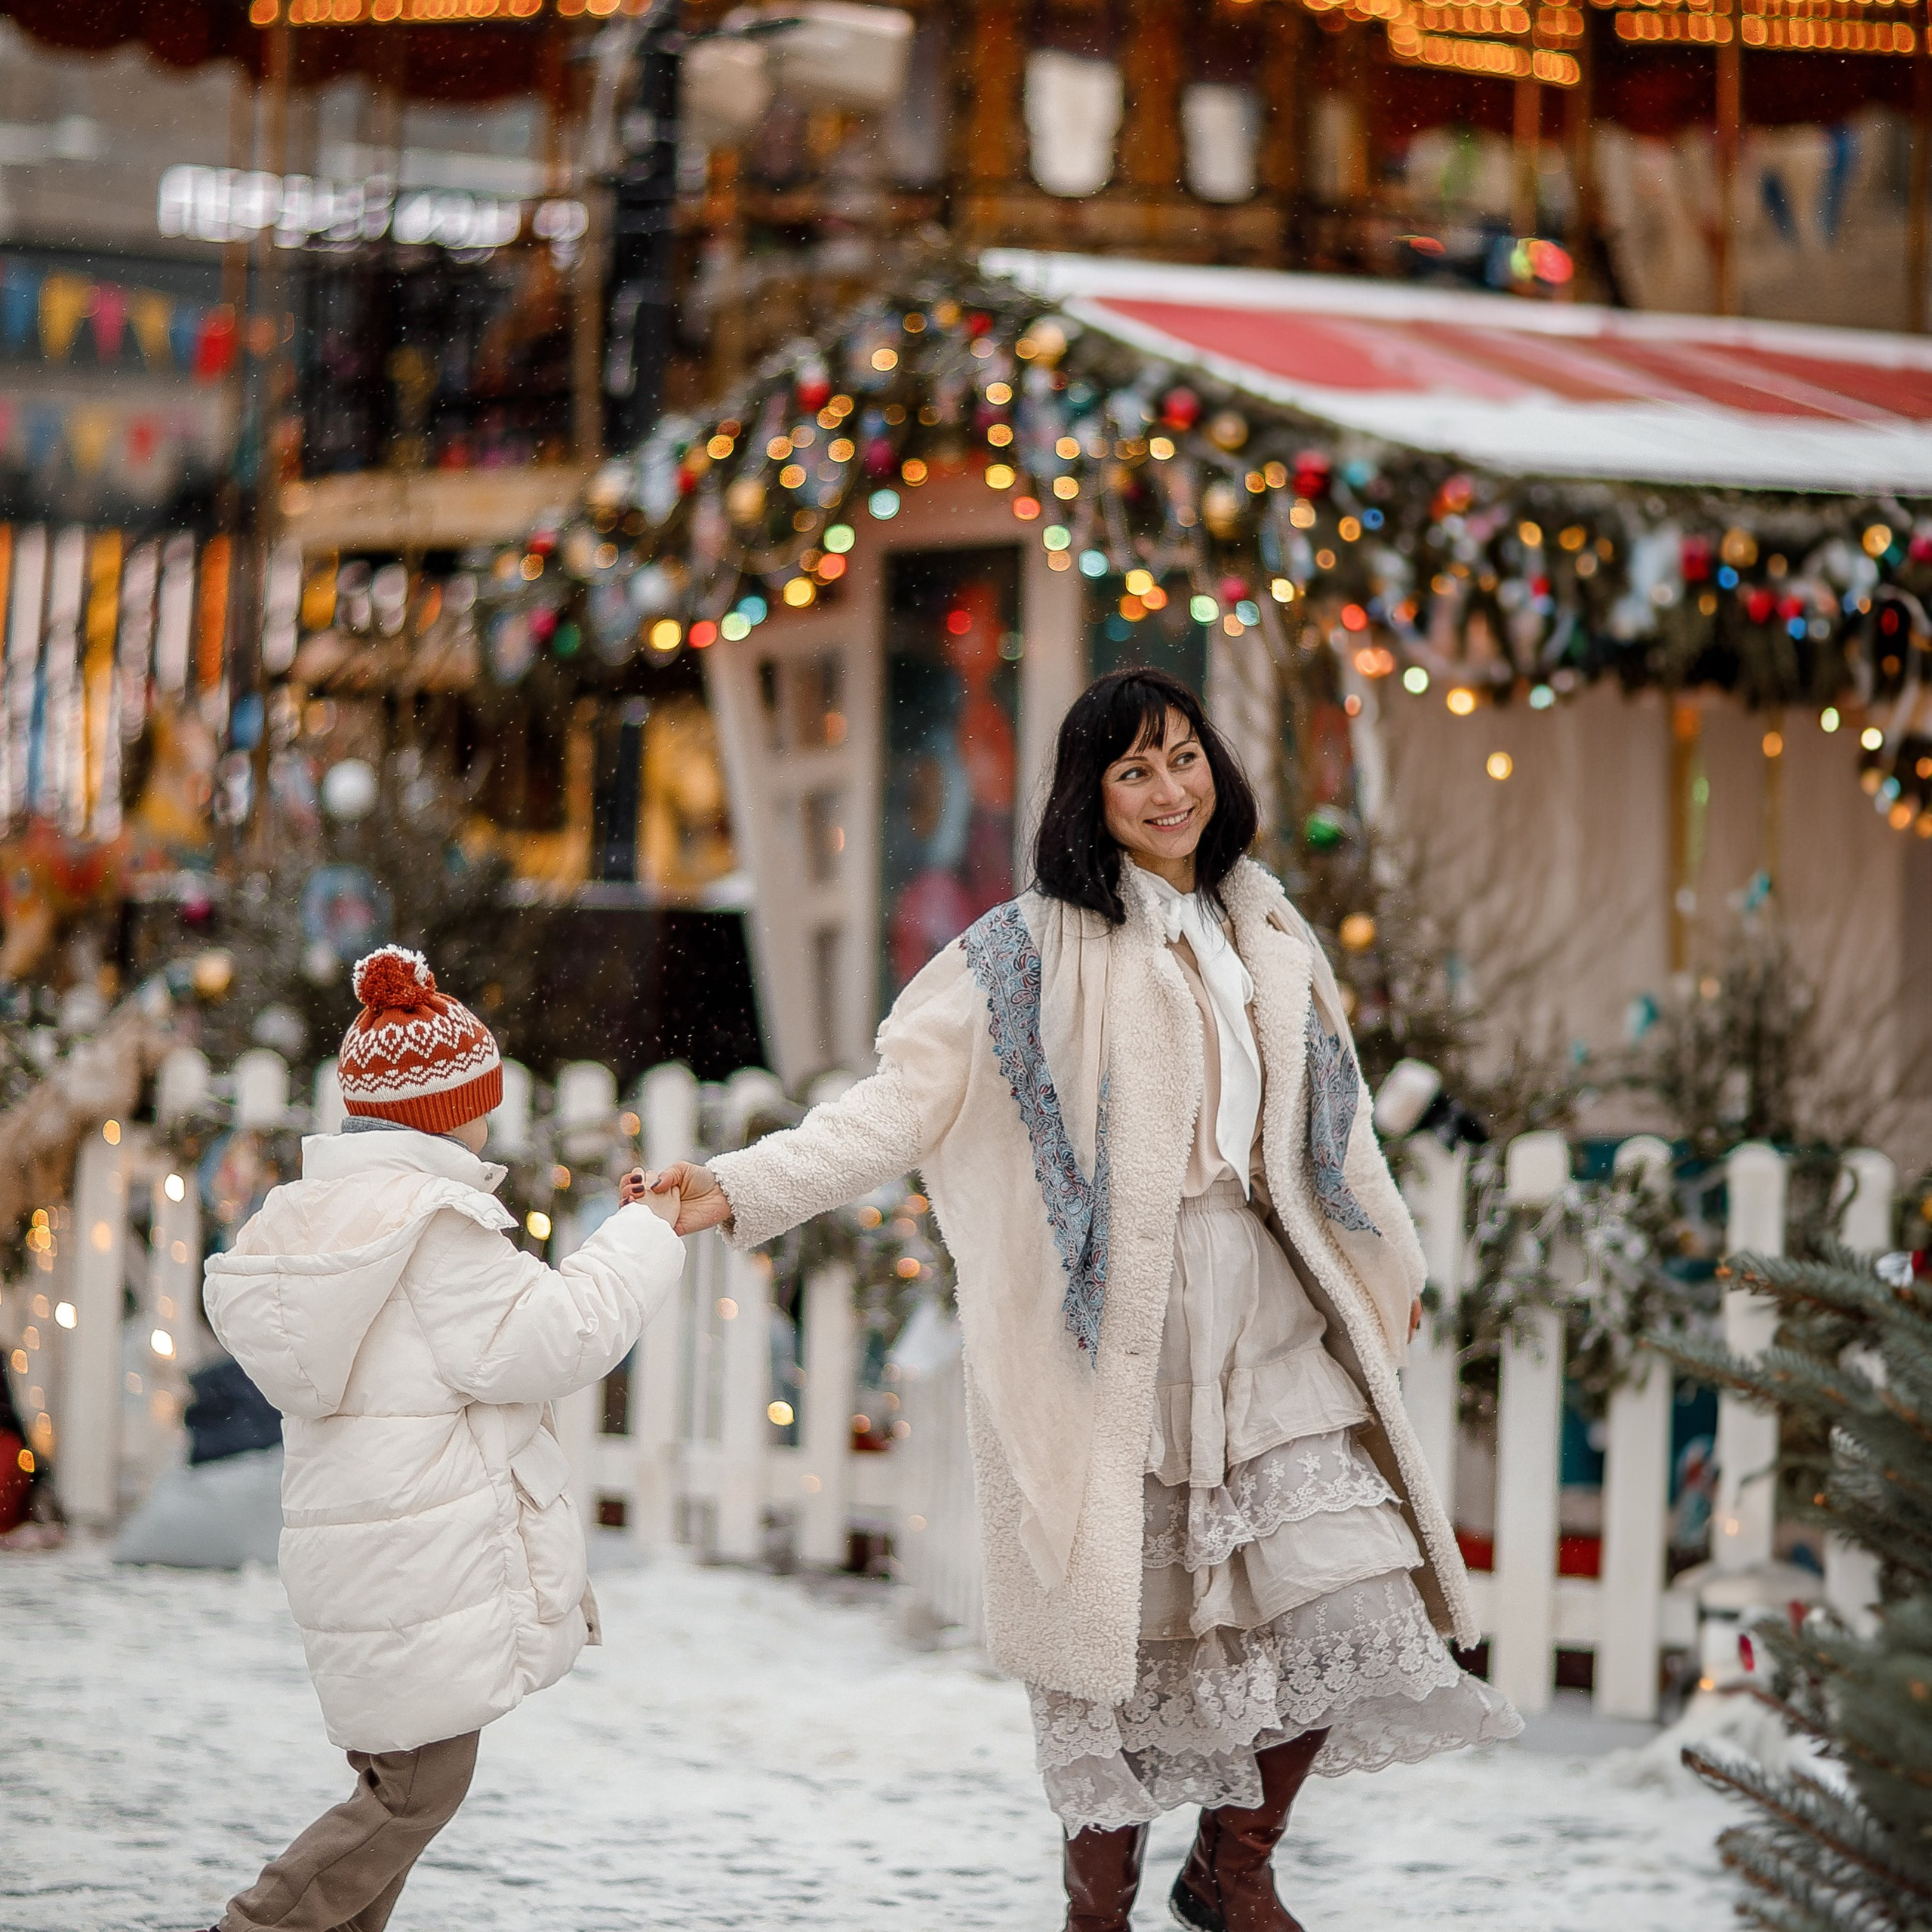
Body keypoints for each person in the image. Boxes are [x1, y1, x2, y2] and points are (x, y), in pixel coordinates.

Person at [627, 668, 1518, 1931]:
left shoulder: (1264, 925)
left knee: (1348, 1589)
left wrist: (1390, 1268)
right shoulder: (1019, 954)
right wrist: (729, 1187)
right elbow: (896, 1106)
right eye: (1135, 771)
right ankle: (1096, 1912)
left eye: (1185, 759)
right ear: (1088, 798)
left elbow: (1341, 1125)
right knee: (1124, 1636)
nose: (1171, 792)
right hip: (1117, 1333)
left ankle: (1233, 1869)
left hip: (1270, 1312)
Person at [198, 944, 685, 1932]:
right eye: (479, 1098)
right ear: (441, 1114)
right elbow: (559, 1336)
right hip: (416, 1562)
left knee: (405, 1784)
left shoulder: (330, 1219)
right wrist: (645, 1236)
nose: (489, 1117)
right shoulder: (436, 1227)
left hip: (367, 1561)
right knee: (415, 1792)